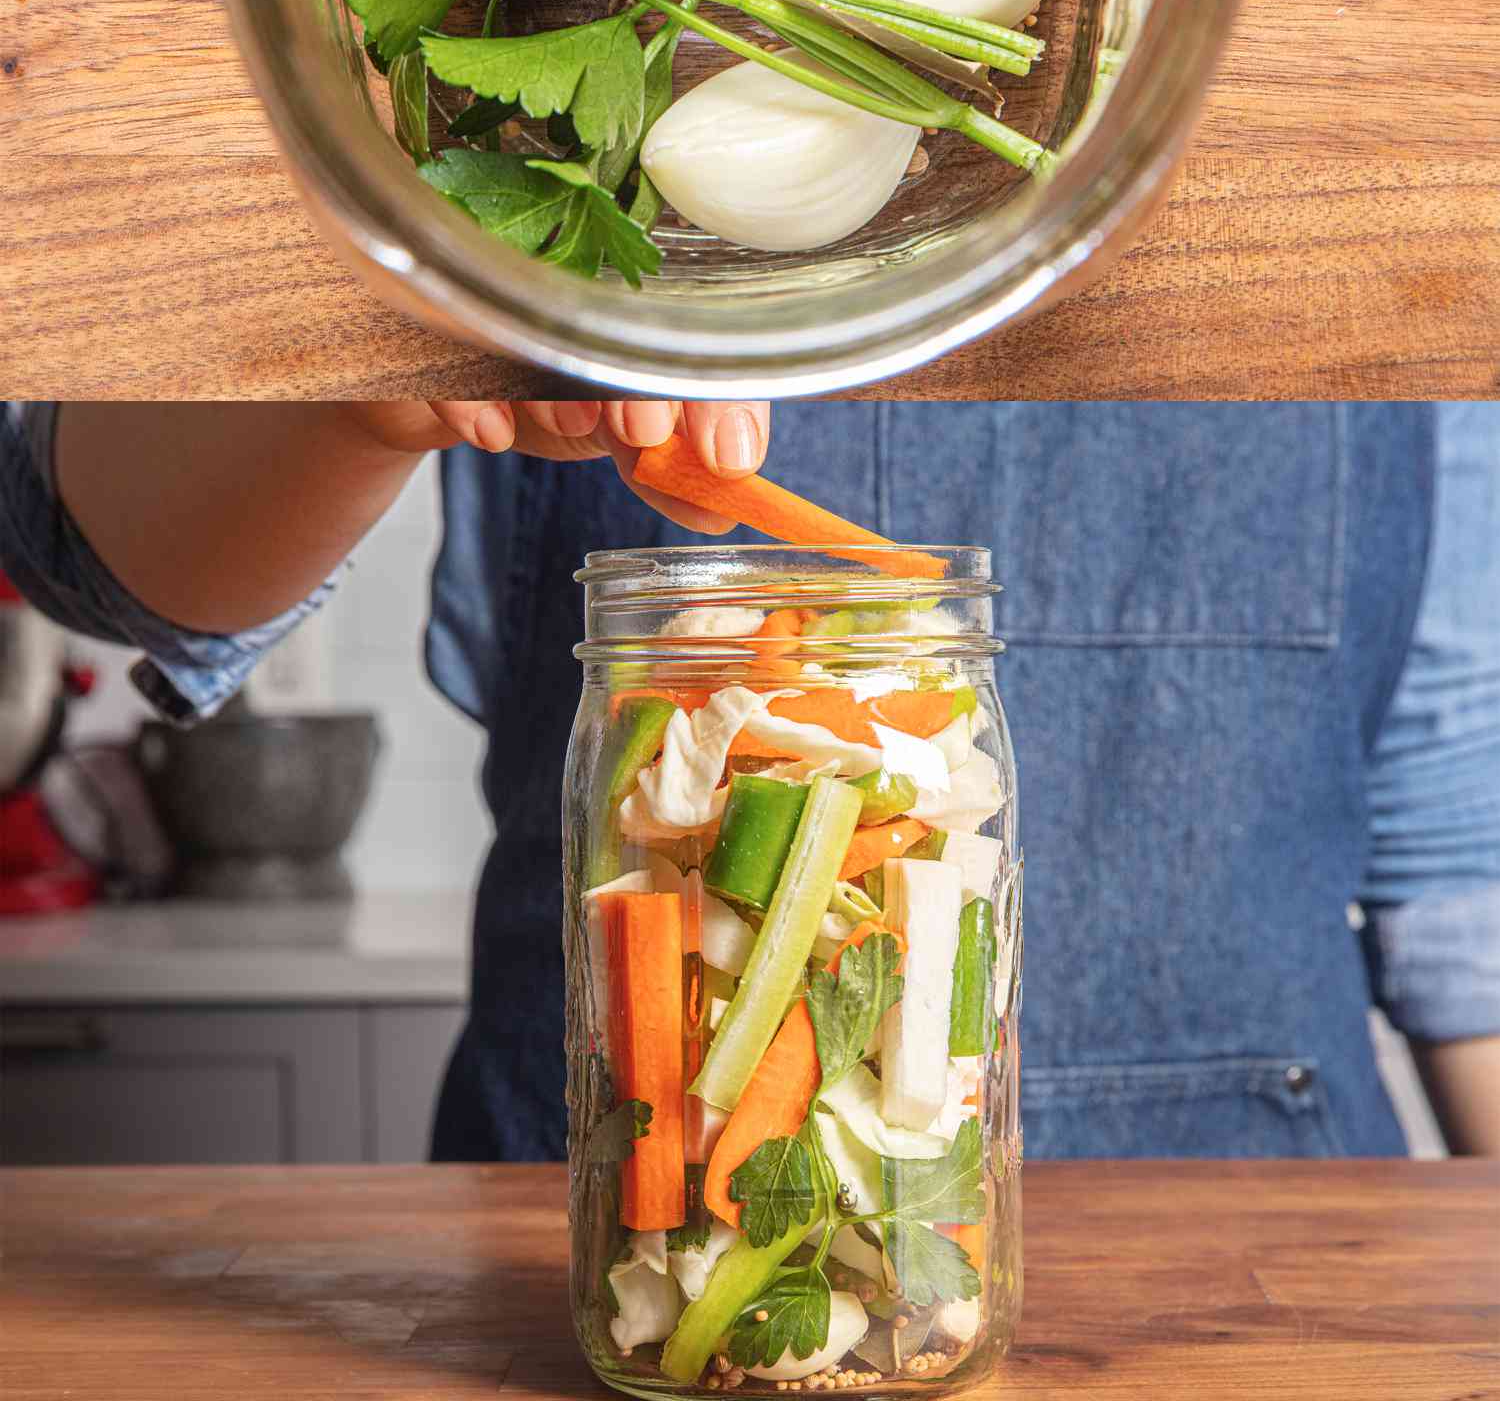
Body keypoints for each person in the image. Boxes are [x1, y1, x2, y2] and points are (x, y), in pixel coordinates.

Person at [2, 400, 1497, 1159]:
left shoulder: (1368, 134)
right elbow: (89, 559)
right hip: (617, 1207)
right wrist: (362, 383)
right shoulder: (526, 40)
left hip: (1247, 1264)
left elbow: (1465, 863)